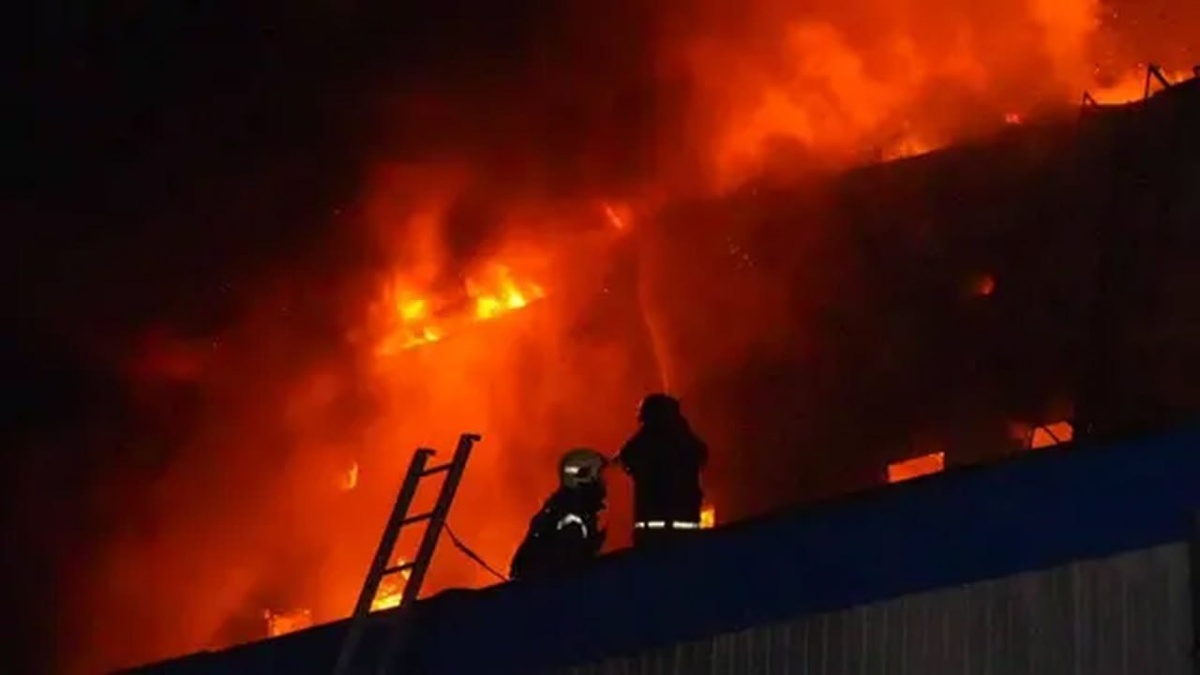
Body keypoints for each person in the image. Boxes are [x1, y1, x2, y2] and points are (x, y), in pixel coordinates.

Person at [616, 393, 708, 548]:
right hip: (687, 533)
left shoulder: (644, 443)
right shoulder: (689, 442)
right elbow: (701, 456)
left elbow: (627, 457)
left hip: (653, 536)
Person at [509, 448, 609, 581]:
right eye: (599, 475)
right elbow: (572, 578)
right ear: (583, 477)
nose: (604, 482)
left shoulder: (560, 511)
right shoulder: (571, 523)